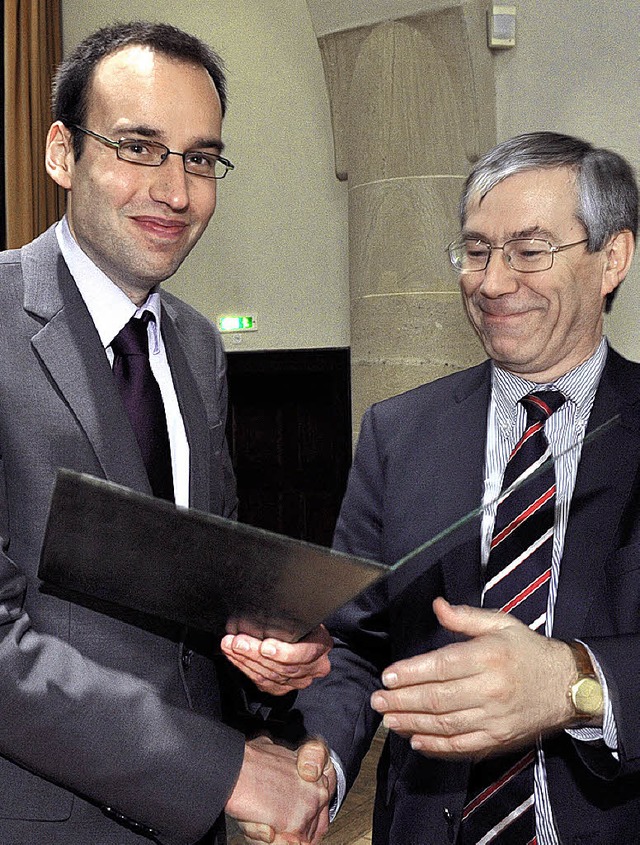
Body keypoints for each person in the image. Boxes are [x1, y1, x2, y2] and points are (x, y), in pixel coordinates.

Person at [0, 21, 333, 845]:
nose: (177, 191)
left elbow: (193, 589)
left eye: (199, 158)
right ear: (60, 152)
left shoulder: (196, 345)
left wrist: (267, 654)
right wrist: (218, 769)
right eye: (139, 148)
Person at [273, 131, 640, 844]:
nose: (493, 282)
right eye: (476, 251)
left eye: (529, 251)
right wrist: (320, 761)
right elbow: (352, 644)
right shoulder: (398, 433)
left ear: (612, 258)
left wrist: (575, 682)